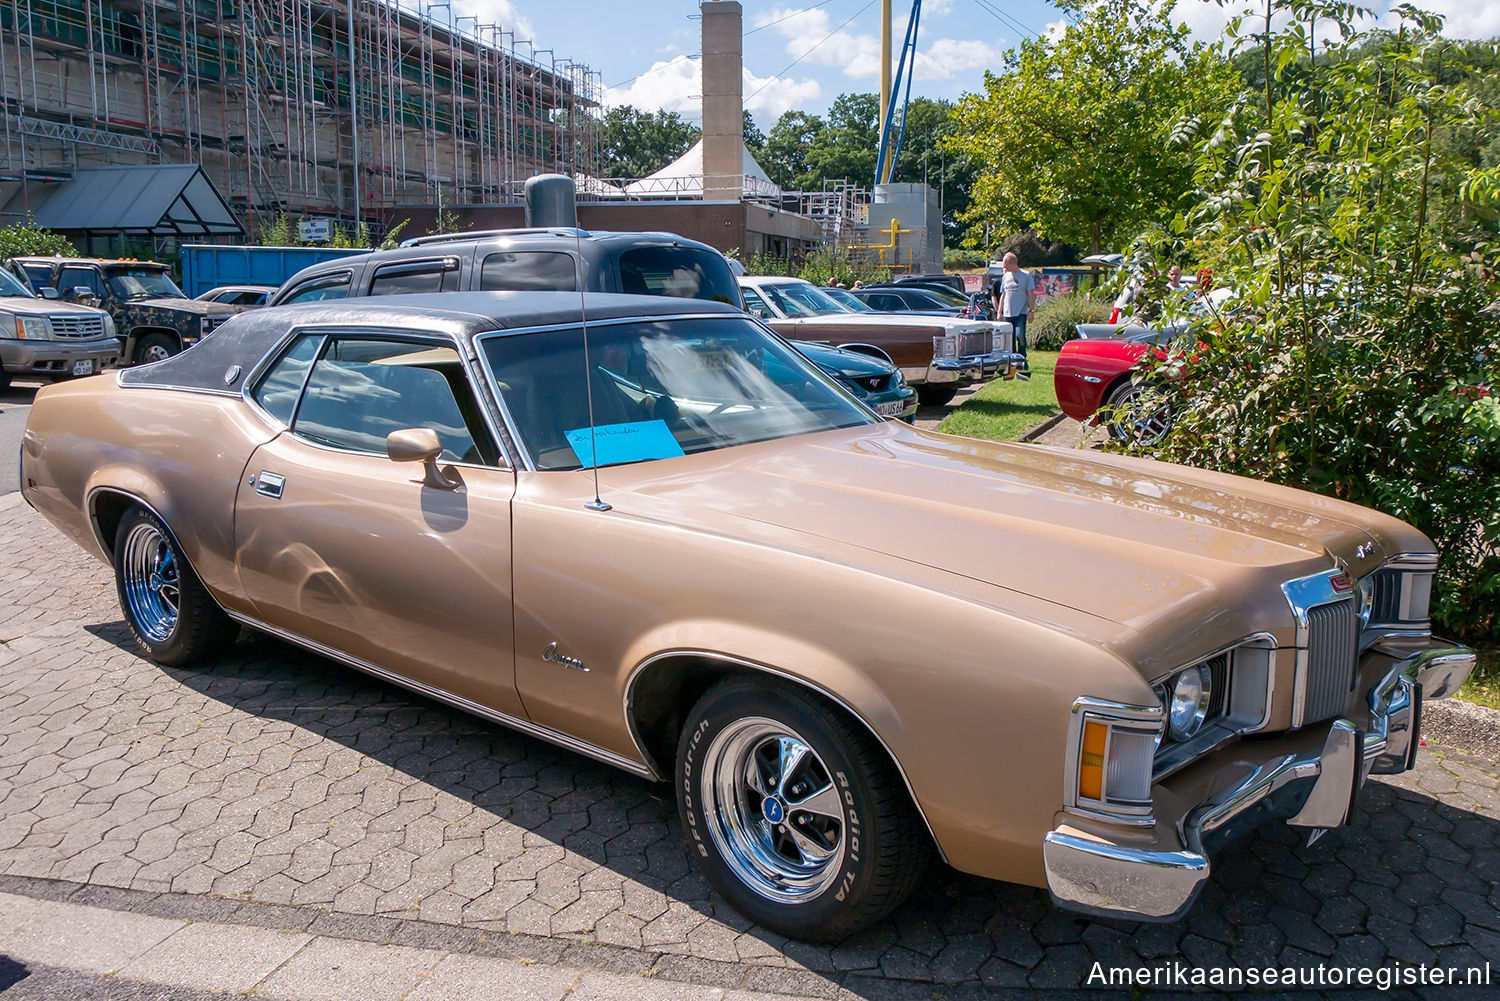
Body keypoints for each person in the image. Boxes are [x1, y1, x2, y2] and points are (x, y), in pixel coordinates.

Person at [991, 253, 1037, 378]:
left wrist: (1031, 311)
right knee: (1009, 340)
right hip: (1007, 314)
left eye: (1006, 264)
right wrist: (999, 312)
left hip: (1020, 312)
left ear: (1012, 263)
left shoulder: (1026, 276)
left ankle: (1022, 360)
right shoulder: (1005, 277)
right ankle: (1012, 364)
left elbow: (1031, 294)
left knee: (1020, 336)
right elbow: (1003, 296)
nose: (1004, 267)